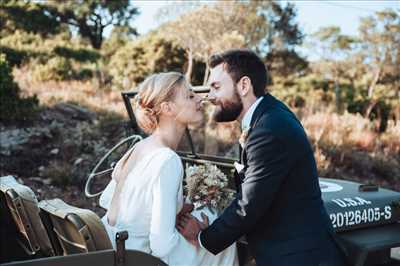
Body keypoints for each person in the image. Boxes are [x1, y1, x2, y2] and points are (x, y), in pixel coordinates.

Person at [177, 49, 346, 266]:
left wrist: (203, 237)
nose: (210, 96)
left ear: (244, 86)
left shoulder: (269, 128)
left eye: (216, 87)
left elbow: (248, 204)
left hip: (301, 257)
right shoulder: (267, 115)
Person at [99, 72, 238, 266]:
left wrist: (174, 212)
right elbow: (162, 245)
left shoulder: (139, 147)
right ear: (167, 108)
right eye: (190, 96)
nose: (200, 98)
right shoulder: (167, 159)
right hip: (139, 257)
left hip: (117, 246)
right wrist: (198, 236)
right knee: (221, 243)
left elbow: (107, 201)